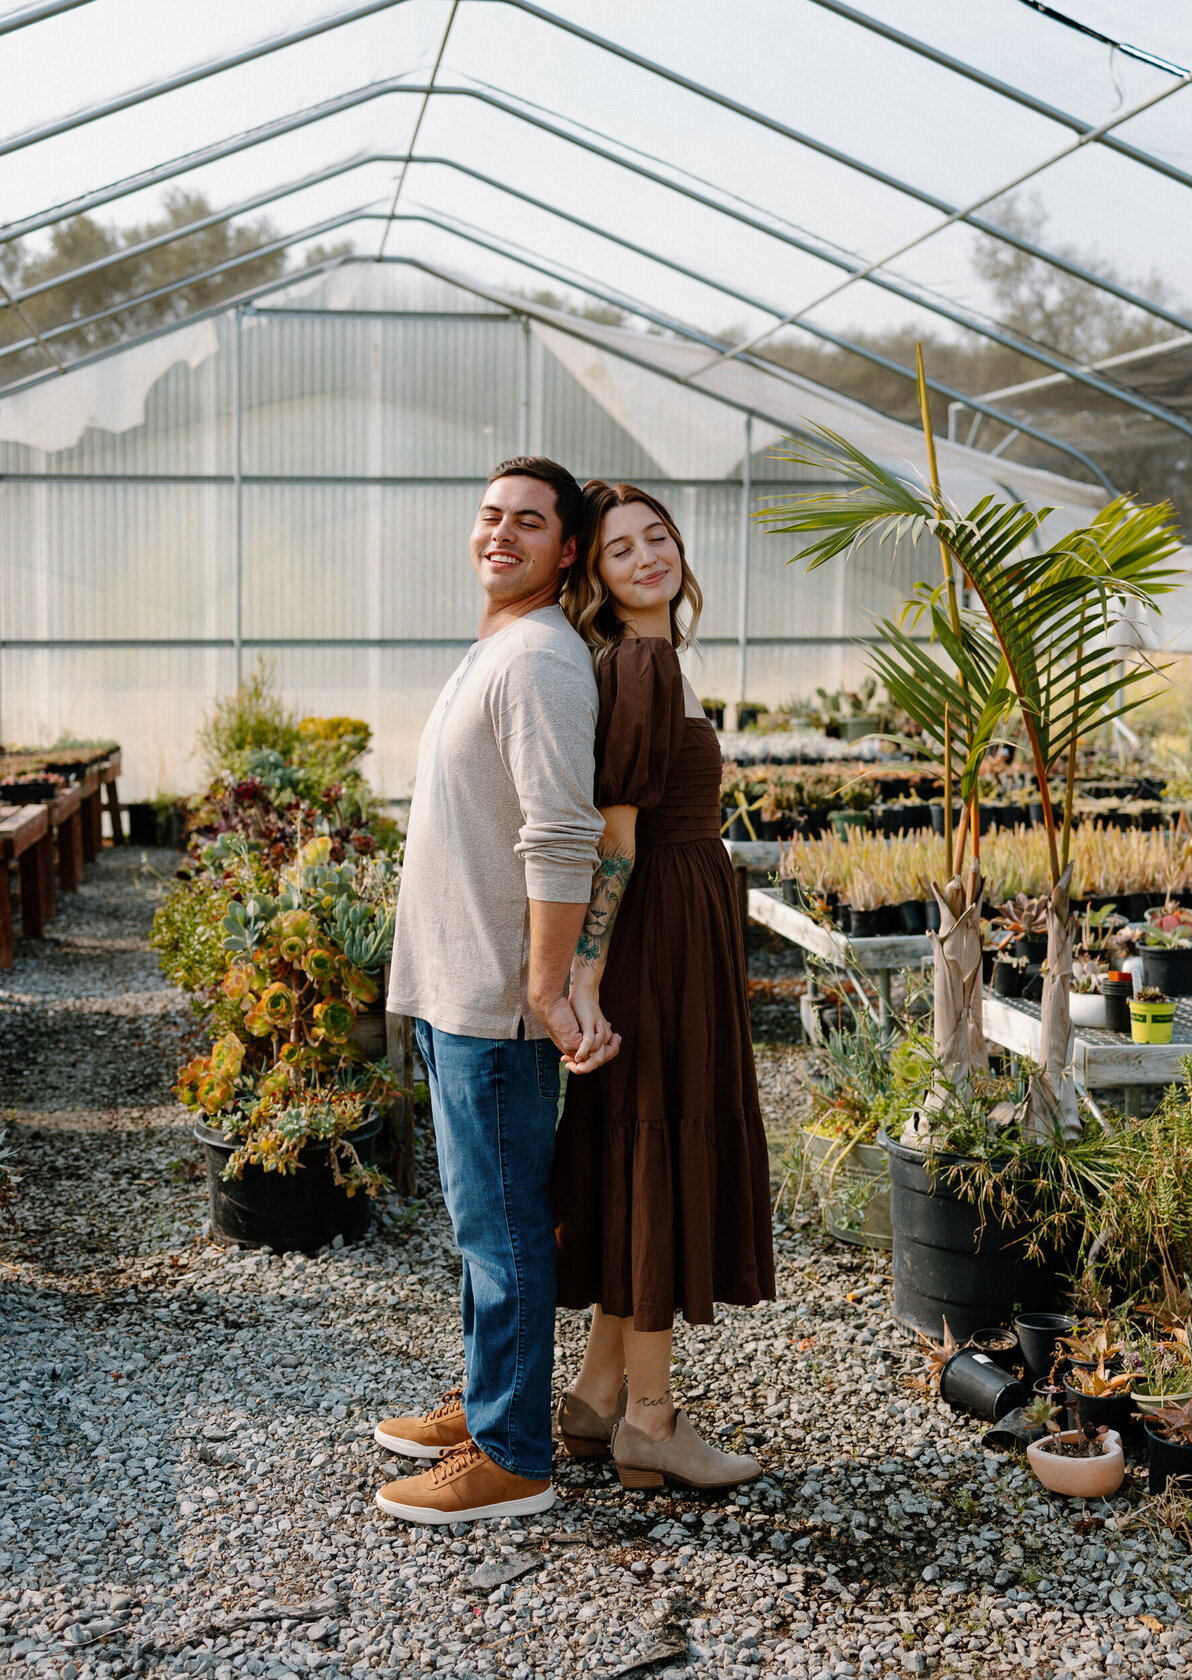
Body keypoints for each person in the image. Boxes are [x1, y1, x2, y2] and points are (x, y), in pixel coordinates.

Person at [373, 457, 618, 1526]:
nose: (500, 533)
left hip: (494, 1005)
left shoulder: (540, 661)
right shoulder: (498, 647)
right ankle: (487, 1407)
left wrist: (546, 983)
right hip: (452, 993)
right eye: (489, 515)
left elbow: (565, 835)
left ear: (567, 551)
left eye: (529, 521)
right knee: (481, 1222)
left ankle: (513, 1454)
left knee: (505, 1226)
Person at [552, 479, 776, 1491]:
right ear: (594, 578)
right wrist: (585, 982)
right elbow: (615, 840)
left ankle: (598, 1397)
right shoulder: (638, 663)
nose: (649, 558)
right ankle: (651, 1417)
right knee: (653, 1147)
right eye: (619, 550)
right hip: (657, 937)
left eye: (658, 538)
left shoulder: (656, 659)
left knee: (641, 1148)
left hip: (679, 924)